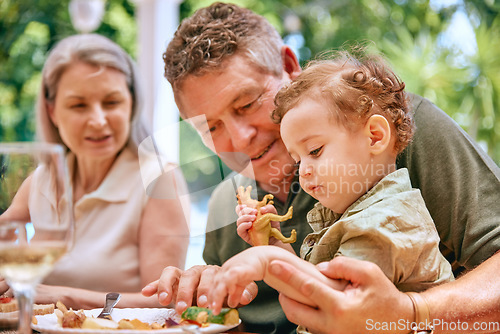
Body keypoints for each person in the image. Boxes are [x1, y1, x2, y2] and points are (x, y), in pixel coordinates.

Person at [142, 2, 500, 333]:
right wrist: (204, 303)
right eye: (210, 128)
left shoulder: (390, 133)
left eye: (248, 103)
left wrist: (410, 312)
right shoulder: (225, 206)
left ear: (289, 66)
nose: (239, 140)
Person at [209, 51, 454, 333]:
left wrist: (266, 261)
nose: (303, 171)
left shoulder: (387, 220)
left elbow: (329, 303)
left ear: (374, 136)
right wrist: (271, 245)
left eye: (315, 151)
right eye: (298, 159)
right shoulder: (358, 212)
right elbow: (314, 287)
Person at [0, 33, 190, 309]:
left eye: (112, 102)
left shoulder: (158, 179)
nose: (99, 121)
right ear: (52, 111)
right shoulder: (43, 180)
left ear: (131, 104)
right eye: (79, 105)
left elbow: (163, 301)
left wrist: (64, 297)